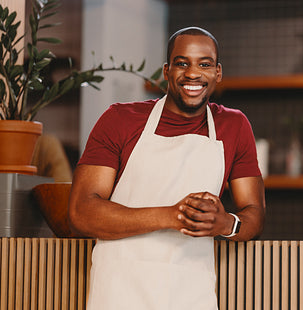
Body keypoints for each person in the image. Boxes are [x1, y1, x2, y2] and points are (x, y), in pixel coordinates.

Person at [68, 26, 265, 310]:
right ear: (166, 70)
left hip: (191, 291)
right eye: (181, 63)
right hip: (118, 292)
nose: (193, 73)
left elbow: (255, 214)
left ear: (218, 73)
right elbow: (81, 213)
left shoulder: (233, 126)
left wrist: (225, 223)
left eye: (204, 64)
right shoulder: (120, 119)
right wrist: (173, 216)